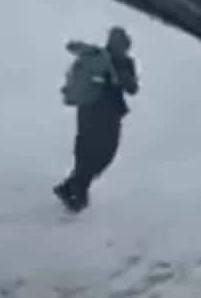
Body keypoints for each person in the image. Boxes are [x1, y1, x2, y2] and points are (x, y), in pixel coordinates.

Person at [53, 26, 139, 213]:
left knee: (89, 153)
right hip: (102, 113)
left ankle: (73, 190)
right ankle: (74, 192)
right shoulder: (102, 59)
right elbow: (132, 88)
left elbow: (132, 88)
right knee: (101, 153)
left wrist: (119, 76)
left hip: (90, 110)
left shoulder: (104, 58)